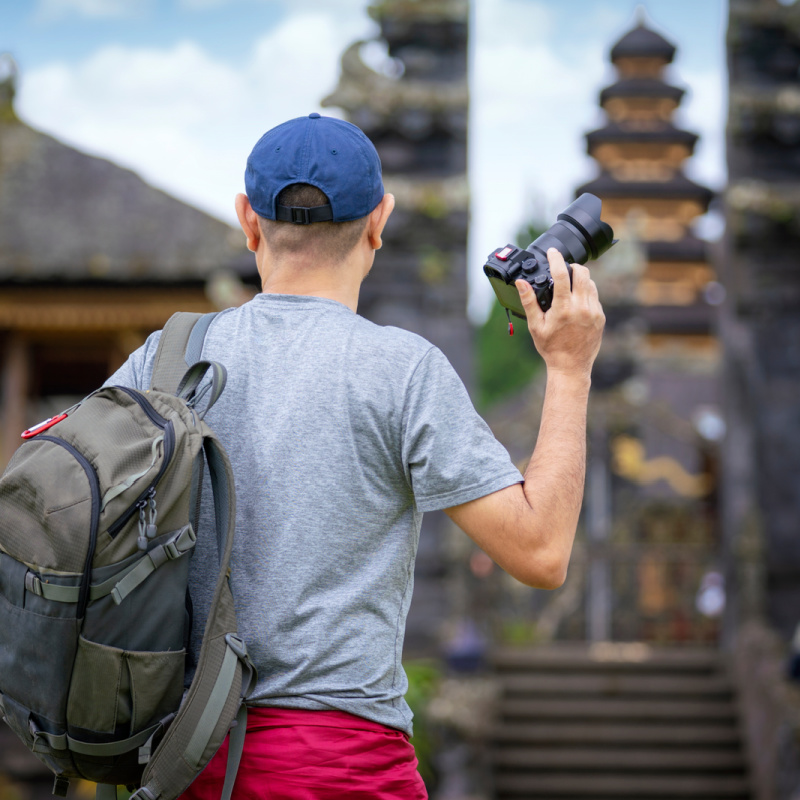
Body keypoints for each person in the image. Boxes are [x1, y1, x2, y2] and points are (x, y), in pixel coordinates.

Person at [106, 113, 605, 799]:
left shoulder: (161, 361)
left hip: (178, 764)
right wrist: (571, 370)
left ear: (248, 221)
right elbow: (541, 552)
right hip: (340, 766)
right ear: (380, 221)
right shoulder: (399, 371)